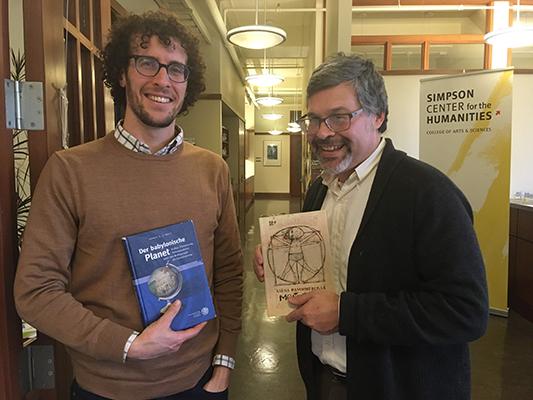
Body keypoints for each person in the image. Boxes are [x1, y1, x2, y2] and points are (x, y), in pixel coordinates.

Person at [14, 11, 243, 400]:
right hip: (106, 388)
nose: (162, 80)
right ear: (122, 72)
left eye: (176, 69)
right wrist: (128, 345)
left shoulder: (212, 170)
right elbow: (36, 291)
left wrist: (224, 362)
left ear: (188, 84)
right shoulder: (70, 171)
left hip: (198, 383)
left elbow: (229, 275)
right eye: (146, 62)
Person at [254, 53, 488, 400]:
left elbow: (465, 312)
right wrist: (277, 262)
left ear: (378, 115)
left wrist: (348, 313)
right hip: (324, 379)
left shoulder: (428, 193)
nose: (322, 133)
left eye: (339, 118)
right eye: (314, 120)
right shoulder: (320, 188)